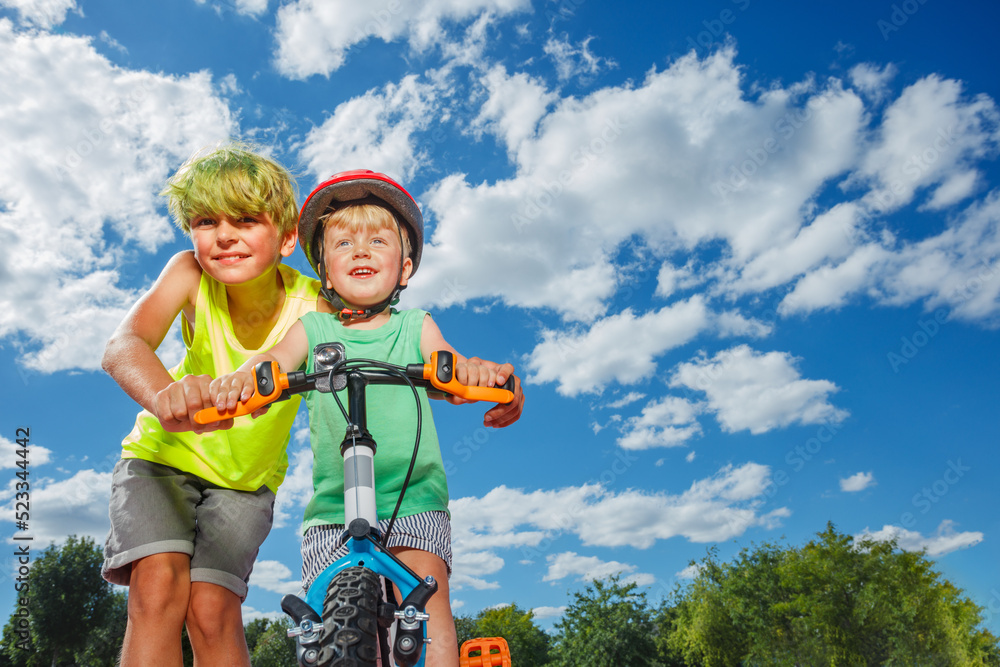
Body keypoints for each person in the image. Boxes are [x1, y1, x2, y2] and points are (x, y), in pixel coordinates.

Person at [206, 169, 524, 666]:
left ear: (405, 269)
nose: (361, 251)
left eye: (378, 240)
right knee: (334, 624)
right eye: (344, 243)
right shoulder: (311, 329)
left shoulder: (415, 326)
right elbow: (270, 363)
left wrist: (477, 374)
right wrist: (240, 381)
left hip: (413, 495)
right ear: (325, 272)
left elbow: (450, 368)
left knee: (425, 600)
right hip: (334, 510)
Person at [100, 143, 322, 666]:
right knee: (157, 589)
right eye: (205, 221)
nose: (224, 235)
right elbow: (122, 346)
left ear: (287, 237)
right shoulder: (189, 274)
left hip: (245, 483)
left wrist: (465, 372)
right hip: (162, 459)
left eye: (245, 219)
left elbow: (385, 344)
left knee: (211, 609)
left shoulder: (315, 303)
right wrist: (164, 395)